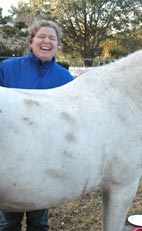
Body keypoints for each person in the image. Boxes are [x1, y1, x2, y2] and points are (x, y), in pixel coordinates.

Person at [0, 20, 74, 231]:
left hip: (45, 159)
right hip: (11, 158)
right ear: (31, 41)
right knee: (8, 222)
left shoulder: (65, 78)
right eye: (42, 36)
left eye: (52, 38)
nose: (46, 41)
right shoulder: (6, 69)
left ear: (57, 45)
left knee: (39, 222)